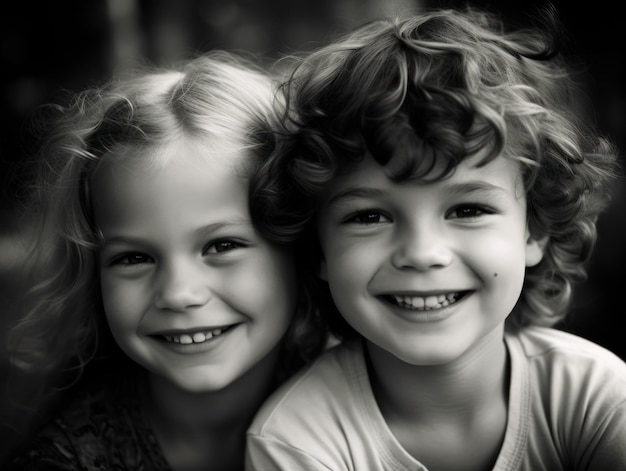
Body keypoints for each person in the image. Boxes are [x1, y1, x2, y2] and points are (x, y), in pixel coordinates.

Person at [245, 5, 626, 471]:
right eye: (369, 216)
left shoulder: (598, 398)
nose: (422, 254)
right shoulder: (298, 441)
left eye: (468, 210)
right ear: (318, 246)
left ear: (535, 231)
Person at [3, 50, 327, 470]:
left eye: (222, 246)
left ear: (299, 243)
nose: (178, 294)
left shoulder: (369, 404)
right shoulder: (64, 460)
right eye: (134, 257)